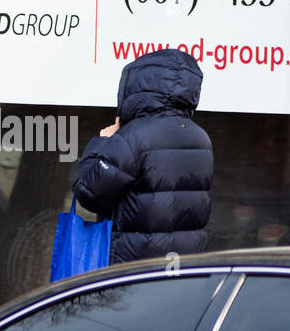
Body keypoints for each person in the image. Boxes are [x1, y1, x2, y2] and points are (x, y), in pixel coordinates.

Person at [73, 48, 213, 263]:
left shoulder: (133, 136)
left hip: (133, 268)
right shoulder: (201, 138)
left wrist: (101, 142)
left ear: (138, 86)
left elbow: (90, 194)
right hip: (180, 266)